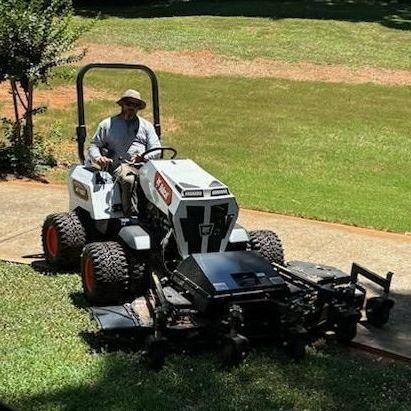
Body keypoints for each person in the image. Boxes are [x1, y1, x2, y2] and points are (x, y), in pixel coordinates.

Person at [88, 89, 161, 216]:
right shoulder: (107, 125)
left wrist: (144, 157)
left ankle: (158, 215)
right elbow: (94, 145)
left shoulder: (146, 126)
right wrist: (98, 157)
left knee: (162, 181)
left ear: (138, 108)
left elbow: (157, 149)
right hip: (117, 166)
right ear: (122, 104)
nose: (131, 107)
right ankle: (131, 215)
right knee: (129, 180)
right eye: (128, 103)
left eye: (135, 105)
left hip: (144, 166)